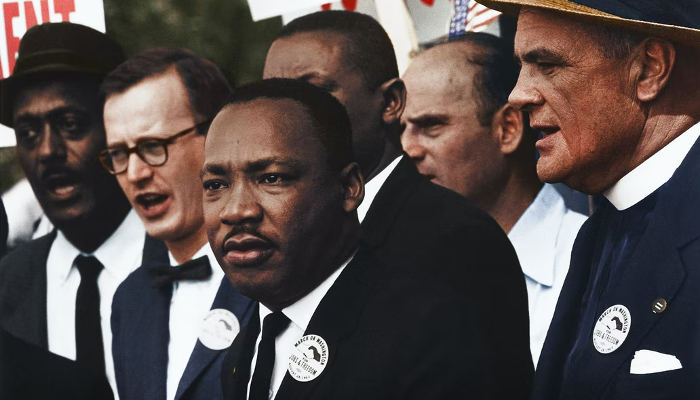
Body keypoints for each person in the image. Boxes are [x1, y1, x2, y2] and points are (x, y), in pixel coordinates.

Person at [263, 10, 533, 398]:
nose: (284, 117)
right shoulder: (278, 236)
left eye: (315, 93)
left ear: (390, 101)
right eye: (273, 95)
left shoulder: (459, 241)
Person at [475, 0, 700, 398]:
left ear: (649, 70)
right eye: (523, 66)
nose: (518, 94)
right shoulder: (603, 229)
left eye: (548, 64)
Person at [205, 78, 481, 400]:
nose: (236, 210)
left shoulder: (428, 332)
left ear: (349, 187)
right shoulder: (244, 348)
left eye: (272, 178)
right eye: (215, 185)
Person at [401, 32, 587, 366]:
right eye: (400, 130)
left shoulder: (590, 258)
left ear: (508, 129)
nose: (408, 148)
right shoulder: (400, 268)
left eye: (430, 126)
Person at [0, 22, 145, 398]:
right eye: (28, 132)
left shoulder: (196, 262)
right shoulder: (6, 283)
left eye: (70, 124)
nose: (47, 151)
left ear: (120, 132)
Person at [101, 48, 254, 400]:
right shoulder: (131, 298)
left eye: (153, 146)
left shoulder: (278, 272)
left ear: (216, 135)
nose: (135, 174)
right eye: (119, 155)